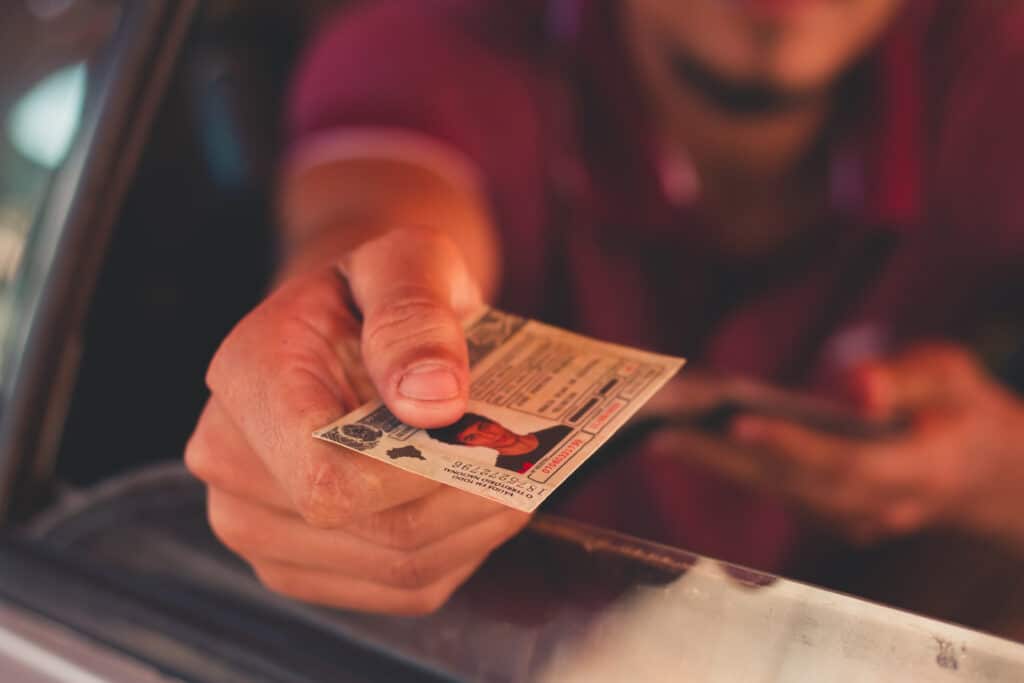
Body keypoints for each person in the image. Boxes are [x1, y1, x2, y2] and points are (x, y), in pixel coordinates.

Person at [184, 0, 1024, 616]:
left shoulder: (994, 59)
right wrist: (355, 329)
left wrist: (996, 473)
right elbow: (376, 220)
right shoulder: (436, 41)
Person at [427, 413, 572, 473]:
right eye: (472, 437)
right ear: (469, 446)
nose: (489, 435)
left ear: (495, 422)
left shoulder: (560, 431)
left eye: (483, 426)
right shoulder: (507, 471)